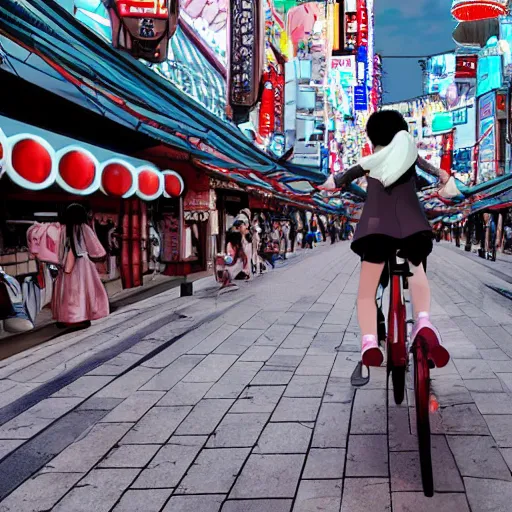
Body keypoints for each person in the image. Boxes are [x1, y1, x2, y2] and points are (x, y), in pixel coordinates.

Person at [320, 110, 449, 369]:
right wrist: (444, 180)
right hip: (413, 226)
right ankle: (423, 321)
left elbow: (338, 179)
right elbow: (437, 176)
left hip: (376, 230)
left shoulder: (370, 161)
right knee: (417, 271)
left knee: (366, 293)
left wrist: (325, 187)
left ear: (372, 139)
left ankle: (370, 341)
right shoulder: (410, 157)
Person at [52, 204, 109, 328]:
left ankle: (64, 317)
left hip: (66, 263)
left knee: (66, 292)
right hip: (83, 264)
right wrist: (100, 255)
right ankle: (82, 316)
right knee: (83, 291)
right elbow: (95, 247)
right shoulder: (84, 228)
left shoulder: (62, 229)